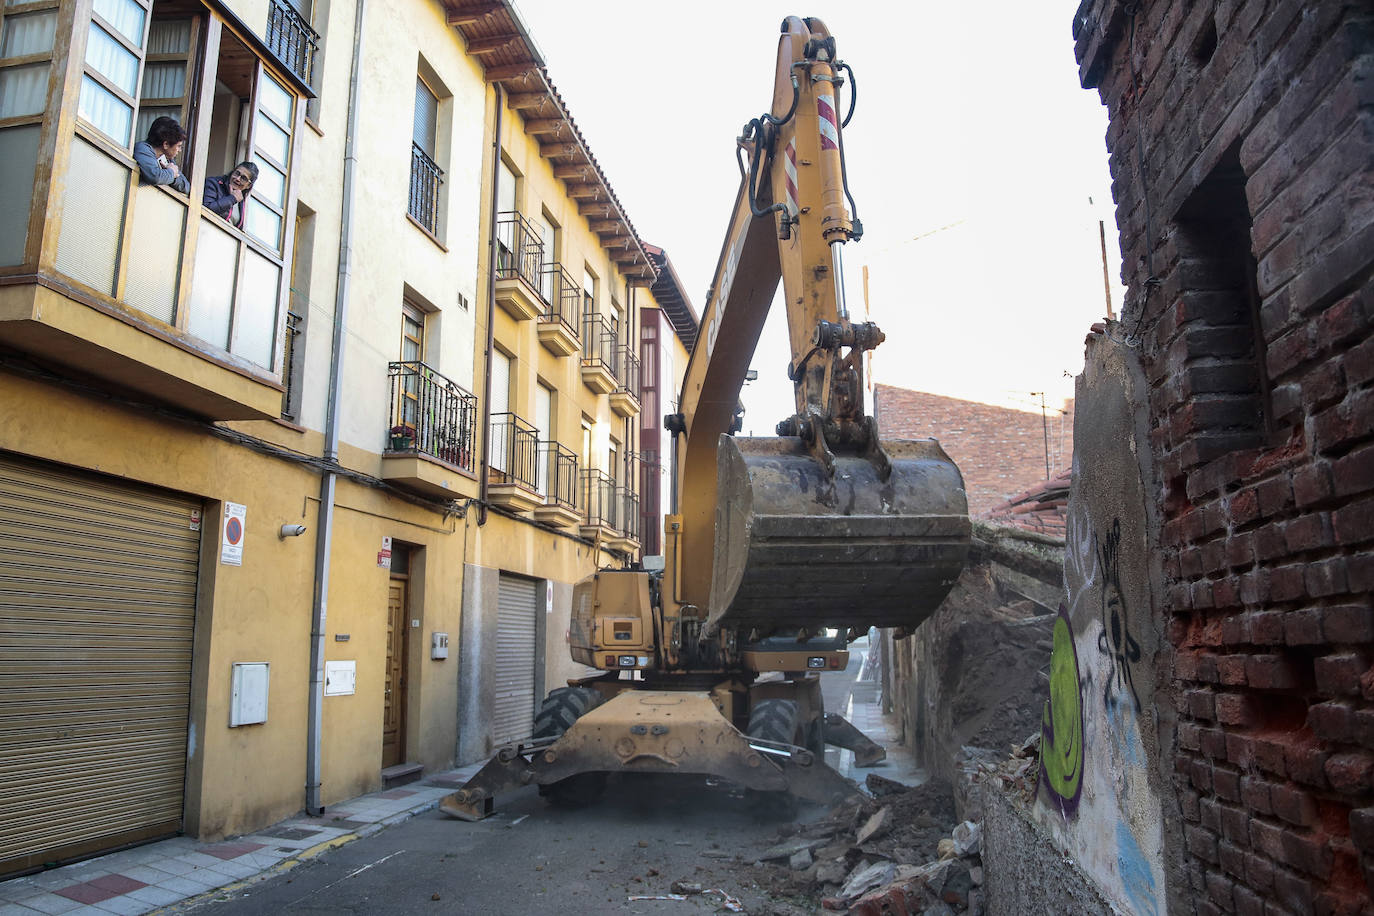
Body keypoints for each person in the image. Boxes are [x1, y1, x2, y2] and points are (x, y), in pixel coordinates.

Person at [132, 116, 190, 193]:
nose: (180, 150)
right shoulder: (143, 148)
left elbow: (186, 187)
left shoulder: (167, 160)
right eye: (178, 146)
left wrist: (172, 176)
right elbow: (154, 176)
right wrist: (171, 173)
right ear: (166, 144)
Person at [203, 162, 258, 229]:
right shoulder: (213, 183)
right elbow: (206, 209)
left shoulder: (242, 202)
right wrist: (232, 199)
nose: (238, 179)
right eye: (237, 173)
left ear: (248, 185)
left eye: (243, 178)